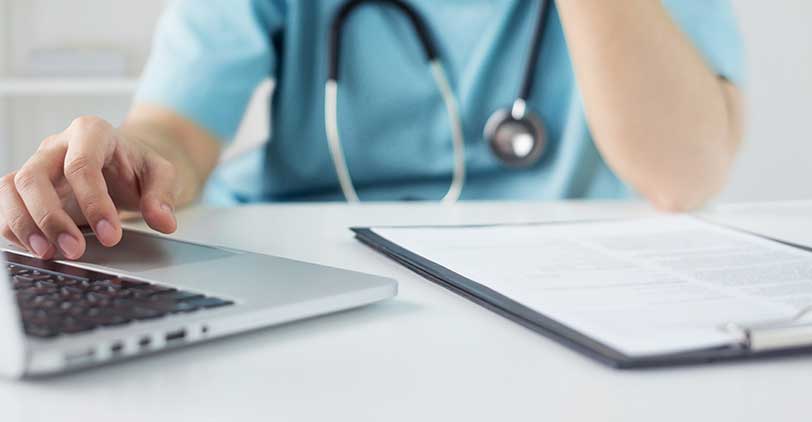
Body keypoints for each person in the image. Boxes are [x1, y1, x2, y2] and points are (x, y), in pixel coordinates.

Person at [0, 0, 745, 260]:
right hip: (309, 254)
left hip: (561, 269)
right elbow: (175, 136)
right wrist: (133, 164)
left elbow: (683, 173)